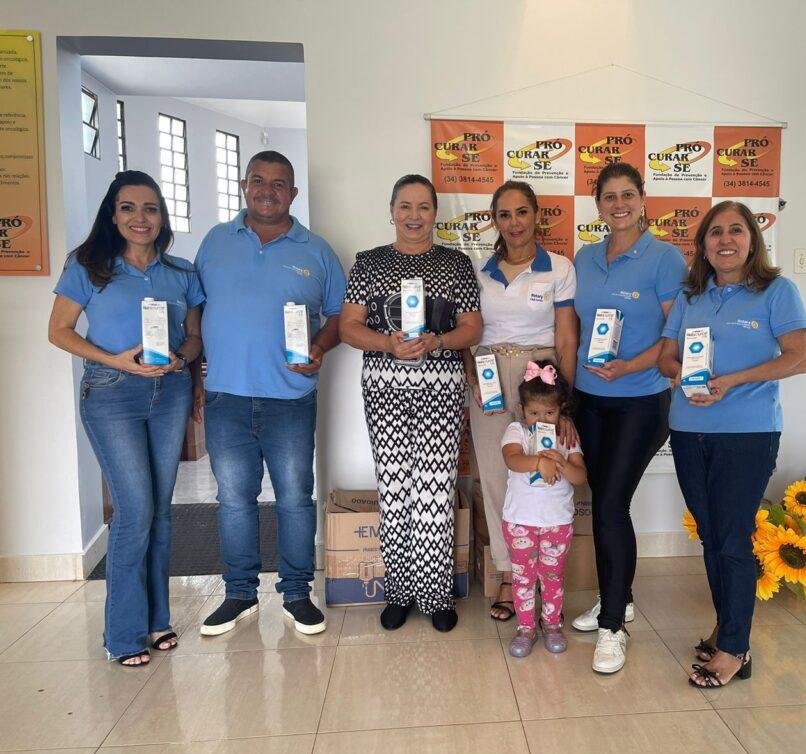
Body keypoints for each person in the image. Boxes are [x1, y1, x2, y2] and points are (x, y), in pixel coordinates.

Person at [48, 170, 204, 666]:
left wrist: (182, 358)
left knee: (160, 509)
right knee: (135, 509)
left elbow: (195, 337)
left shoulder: (181, 273)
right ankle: (122, 634)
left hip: (170, 392)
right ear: (112, 216)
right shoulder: (89, 266)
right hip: (112, 393)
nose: (141, 218)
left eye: (150, 208)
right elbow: (59, 330)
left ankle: (157, 620)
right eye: (128, 208)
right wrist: (114, 360)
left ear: (162, 217)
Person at [657, 200, 806, 688]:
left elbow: (798, 358)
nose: (726, 240)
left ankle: (735, 648)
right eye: (716, 232)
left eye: (736, 230)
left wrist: (731, 381)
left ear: (752, 240)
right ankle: (727, 629)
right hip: (688, 429)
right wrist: (683, 375)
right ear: (703, 244)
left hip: (748, 432)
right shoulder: (690, 296)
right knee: (710, 534)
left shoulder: (777, 291)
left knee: (732, 538)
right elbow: (666, 358)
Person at [195, 151, 346, 637]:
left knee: (295, 499)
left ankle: (297, 594)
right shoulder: (215, 242)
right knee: (234, 500)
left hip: (290, 397)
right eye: (258, 180)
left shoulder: (316, 251)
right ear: (244, 185)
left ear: (293, 194)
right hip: (226, 396)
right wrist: (194, 372)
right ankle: (239, 594)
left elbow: (340, 316)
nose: (267, 190)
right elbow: (194, 310)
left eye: (279, 184)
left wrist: (319, 347)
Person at [339, 174, 482, 633]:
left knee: (435, 490)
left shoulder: (455, 264)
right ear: (392, 211)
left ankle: (436, 594)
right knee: (394, 487)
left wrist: (437, 340)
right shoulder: (369, 262)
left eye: (423, 207)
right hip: (384, 389)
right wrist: (388, 343)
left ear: (435, 213)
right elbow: (348, 327)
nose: (414, 216)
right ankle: (399, 591)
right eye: (405, 206)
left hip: (441, 389)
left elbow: (473, 328)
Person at [571, 162, 686, 674]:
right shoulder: (586, 258)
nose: (618, 204)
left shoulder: (664, 258)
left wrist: (629, 367)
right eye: (609, 196)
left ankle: (613, 626)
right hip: (590, 397)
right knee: (605, 504)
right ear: (598, 205)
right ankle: (618, 597)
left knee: (611, 505)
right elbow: (575, 327)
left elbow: (675, 337)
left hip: (641, 399)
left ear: (642, 200)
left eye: (627, 195)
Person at [462, 180, 577, 623]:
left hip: (541, 375)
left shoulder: (559, 268)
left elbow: (566, 337)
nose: (514, 223)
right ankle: (511, 574)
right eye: (504, 215)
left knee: (547, 465)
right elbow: (467, 330)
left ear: (536, 216)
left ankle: (547, 572)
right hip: (491, 374)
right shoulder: (480, 271)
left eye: (522, 212)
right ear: (495, 220)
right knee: (496, 475)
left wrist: (566, 402)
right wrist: (471, 370)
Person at [500, 361, 587, 657]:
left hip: (557, 522)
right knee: (523, 577)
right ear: (522, 410)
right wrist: (539, 462)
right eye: (534, 413)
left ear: (560, 410)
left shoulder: (565, 437)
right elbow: (512, 459)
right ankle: (525, 628)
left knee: (552, 576)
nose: (541, 419)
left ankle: (551, 624)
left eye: (549, 413)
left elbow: (580, 476)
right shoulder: (516, 431)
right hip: (520, 521)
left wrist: (561, 462)